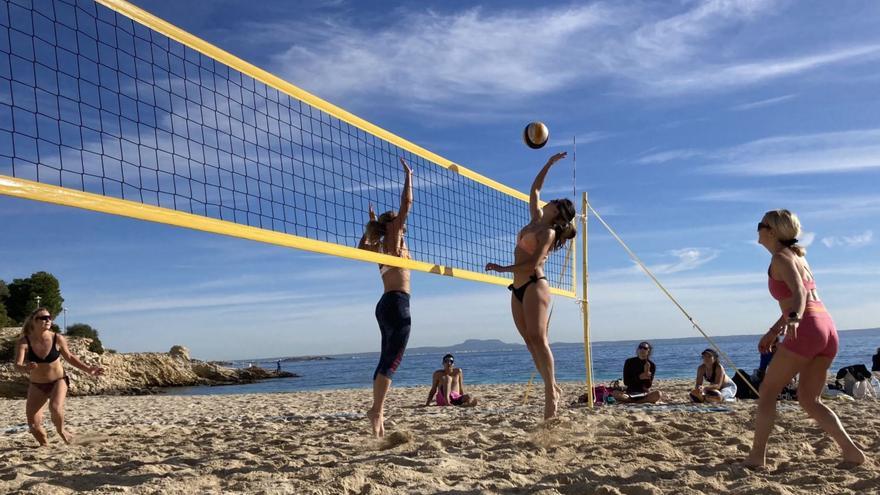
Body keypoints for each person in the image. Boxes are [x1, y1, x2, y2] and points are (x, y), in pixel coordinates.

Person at [746, 209, 865, 468]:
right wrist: (776, 329)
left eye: (760, 224)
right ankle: (851, 452)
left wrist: (794, 320)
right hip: (827, 328)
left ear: (772, 231)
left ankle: (756, 458)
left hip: (808, 327)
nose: (757, 229)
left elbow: (799, 294)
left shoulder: (780, 257)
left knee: (767, 391)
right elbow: (799, 298)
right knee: (809, 400)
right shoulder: (797, 257)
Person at [485, 152, 577, 420]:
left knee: (539, 338)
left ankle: (551, 393)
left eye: (556, 203)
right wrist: (548, 164)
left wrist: (503, 268)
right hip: (518, 288)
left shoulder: (547, 232)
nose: (551, 201)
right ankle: (553, 387)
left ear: (558, 213)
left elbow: (533, 263)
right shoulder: (535, 218)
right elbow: (535, 189)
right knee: (528, 341)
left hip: (535, 285)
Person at [357, 157, 413, 437]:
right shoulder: (393, 240)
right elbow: (406, 205)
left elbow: (362, 246)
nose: (403, 225)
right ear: (392, 226)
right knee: (392, 361)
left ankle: (377, 415)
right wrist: (409, 176)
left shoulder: (382, 247)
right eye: (398, 223)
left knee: (385, 359)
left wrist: (371, 224)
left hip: (385, 305)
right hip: (397, 304)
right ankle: (377, 410)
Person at [14, 307, 104, 446]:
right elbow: (17, 365)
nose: (48, 320)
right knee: (33, 425)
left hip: (58, 381)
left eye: (49, 317)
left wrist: (88, 369)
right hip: (36, 385)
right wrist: (26, 368)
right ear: (34, 321)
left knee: (55, 408)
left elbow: (70, 357)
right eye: (43, 318)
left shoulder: (57, 338)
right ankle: (45, 446)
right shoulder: (24, 342)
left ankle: (61, 430)